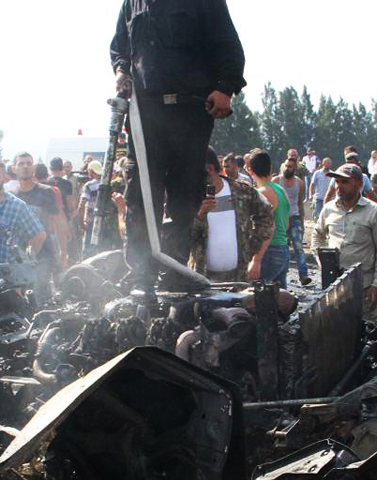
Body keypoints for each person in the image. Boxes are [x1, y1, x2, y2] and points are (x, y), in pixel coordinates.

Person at [111, 0, 246, 291]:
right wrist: (121, 71)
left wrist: (226, 86)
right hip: (145, 115)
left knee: (184, 195)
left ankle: (174, 272)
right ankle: (142, 275)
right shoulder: (132, 3)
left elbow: (228, 44)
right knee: (139, 194)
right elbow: (120, 47)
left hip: (189, 112)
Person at [313, 163, 377, 321]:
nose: (339, 186)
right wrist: (322, 261)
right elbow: (317, 235)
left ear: (359, 184)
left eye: (345, 182)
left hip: (363, 286)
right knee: (335, 333)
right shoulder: (328, 209)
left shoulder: (375, 212)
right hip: (334, 287)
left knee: (365, 336)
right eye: (337, 182)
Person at [188, 146, 274, 281]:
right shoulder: (190, 198)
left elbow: (266, 214)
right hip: (202, 280)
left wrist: (253, 250)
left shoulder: (242, 192)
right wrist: (200, 216)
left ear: (210, 169)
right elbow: (180, 237)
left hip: (238, 280)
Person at [9, 152, 70, 271]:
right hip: (19, 255)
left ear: (33, 167)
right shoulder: (11, 196)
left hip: (44, 254)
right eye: (21, 163)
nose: (25, 166)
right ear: (14, 169)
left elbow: (59, 222)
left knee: (41, 288)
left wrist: (63, 252)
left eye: (28, 163)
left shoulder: (46, 192)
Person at [245, 149, 290, 286]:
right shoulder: (280, 189)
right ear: (270, 168)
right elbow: (286, 224)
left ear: (250, 170)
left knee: (254, 296)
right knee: (279, 300)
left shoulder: (262, 193)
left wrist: (256, 259)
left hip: (268, 251)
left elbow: (267, 226)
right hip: (283, 249)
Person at [275, 152, 310, 285]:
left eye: (290, 167)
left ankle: (303, 275)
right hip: (280, 218)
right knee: (281, 247)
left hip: (294, 216)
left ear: (294, 168)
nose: (287, 168)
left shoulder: (299, 183)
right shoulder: (277, 181)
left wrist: (302, 221)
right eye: (286, 166)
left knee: (298, 246)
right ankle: (281, 276)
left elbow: (300, 202)